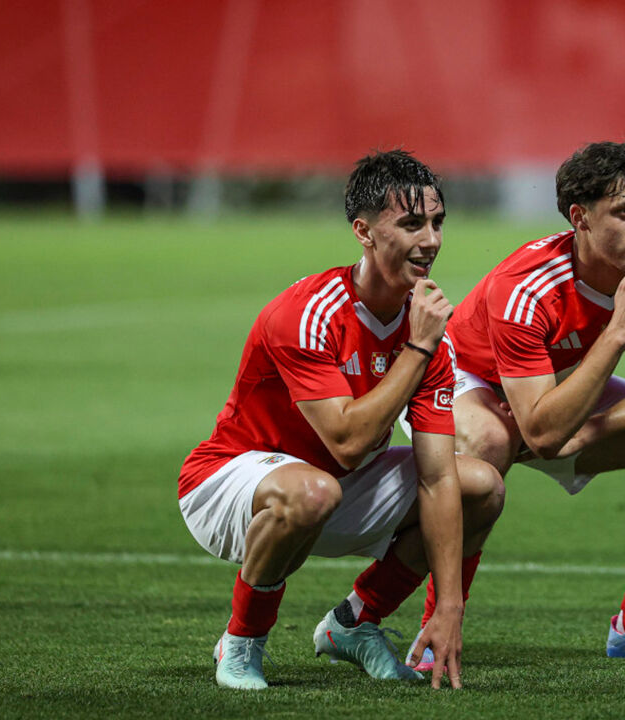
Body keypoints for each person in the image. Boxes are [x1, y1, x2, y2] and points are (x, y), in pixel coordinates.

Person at [177, 150, 504, 690]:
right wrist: (417, 349)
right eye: (411, 223)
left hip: (334, 484)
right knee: (312, 491)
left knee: (480, 486)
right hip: (230, 479)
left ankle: (355, 622)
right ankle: (239, 643)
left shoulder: (428, 337)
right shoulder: (309, 313)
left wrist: (450, 605)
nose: (430, 240)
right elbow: (349, 441)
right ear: (364, 232)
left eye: (437, 222)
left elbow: (438, 476)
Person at [402, 141, 625, 666]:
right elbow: (543, 434)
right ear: (579, 218)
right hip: (461, 375)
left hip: (557, 380)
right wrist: (620, 330)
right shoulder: (526, 288)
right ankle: (420, 630)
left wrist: (594, 428)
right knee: (489, 443)